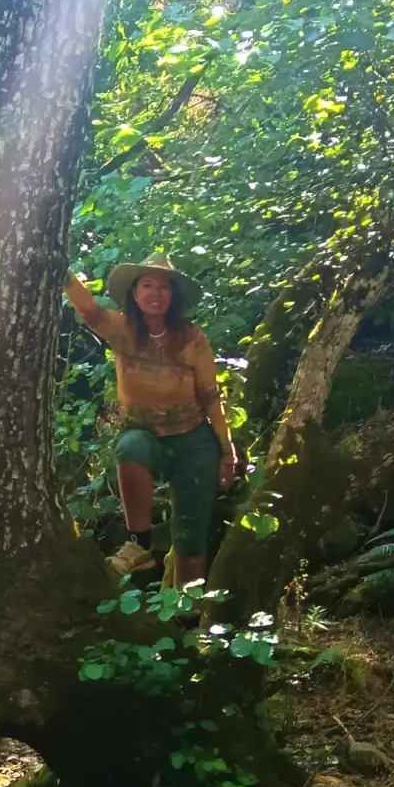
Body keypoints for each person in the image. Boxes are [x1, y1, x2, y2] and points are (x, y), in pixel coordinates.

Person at [64, 252, 237, 587]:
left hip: (194, 442)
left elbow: (210, 396)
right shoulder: (122, 329)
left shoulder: (192, 339)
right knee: (130, 448)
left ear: (173, 297)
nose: (155, 293)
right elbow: (88, 309)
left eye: (164, 287)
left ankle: (186, 616)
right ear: (134, 291)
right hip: (144, 435)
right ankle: (139, 545)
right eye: (147, 285)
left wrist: (226, 451)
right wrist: (64, 273)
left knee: (190, 538)